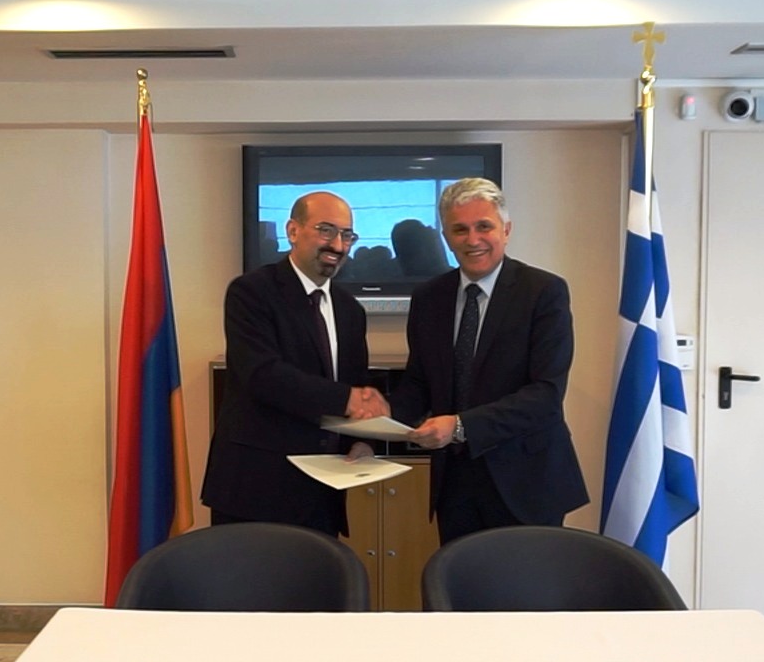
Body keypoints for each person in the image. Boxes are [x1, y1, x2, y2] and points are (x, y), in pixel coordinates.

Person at [391, 178, 587, 544]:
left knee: (524, 580)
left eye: (484, 226)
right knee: (459, 578)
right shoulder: (428, 297)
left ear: (506, 230)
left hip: (526, 479)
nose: (472, 239)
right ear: (446, 237)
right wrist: (379, 424)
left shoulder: (543, 291)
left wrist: (461, 425)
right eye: (459, 229)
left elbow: (545, 394)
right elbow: (419, 382)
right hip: (455, 481)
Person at [202, 191, 389, 538]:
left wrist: (363, 442)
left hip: (322, 495)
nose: (338, 245)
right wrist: (345, 399)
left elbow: (355, 383)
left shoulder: (350, 310)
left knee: (320, 576)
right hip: (255, 491)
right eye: (326, 230)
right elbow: (262, 374)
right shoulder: (251, 292)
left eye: (347, 235)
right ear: (292, 231)